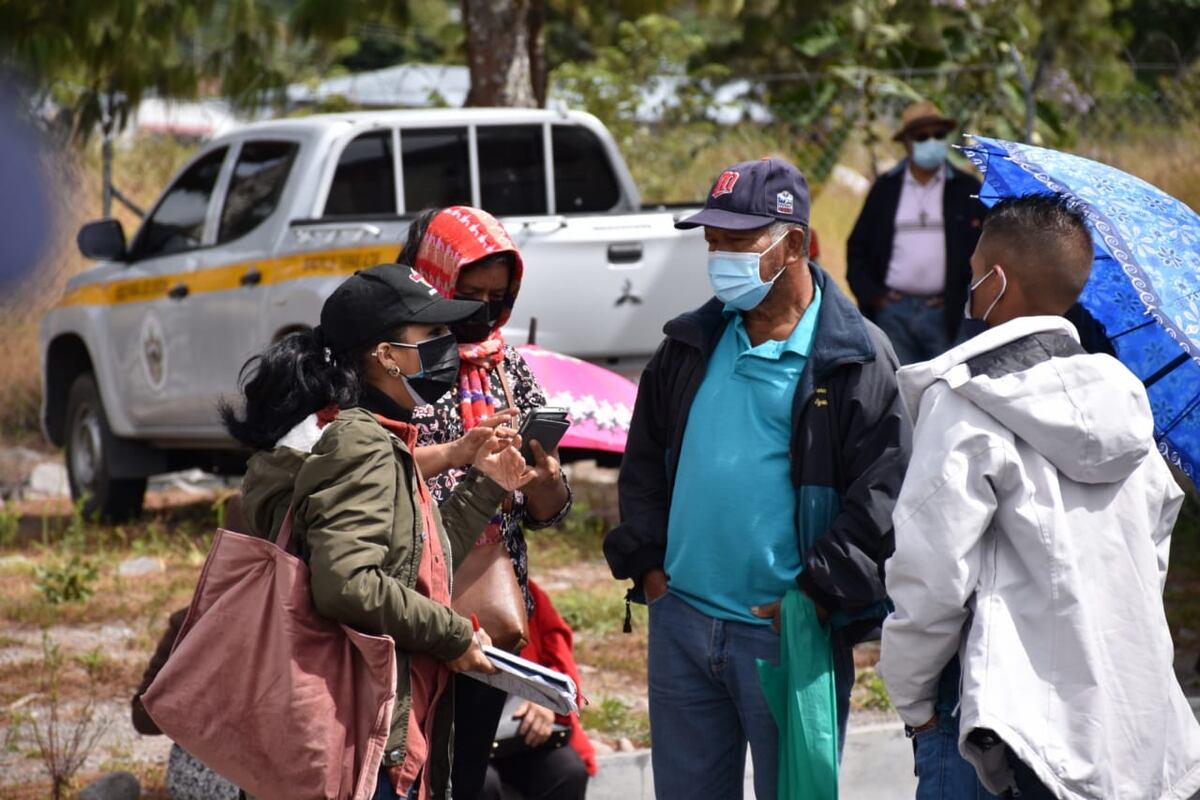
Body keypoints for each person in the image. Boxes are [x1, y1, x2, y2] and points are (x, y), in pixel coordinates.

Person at [604, 157, 910, 799]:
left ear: (791, 243)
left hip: (786, 632)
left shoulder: (853, 356)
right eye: (711, 242)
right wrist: (653, 571)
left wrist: (817, 596)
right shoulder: (690, 342)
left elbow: (881, 497)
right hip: (682, 623)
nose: (718, 258)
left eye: (736, 242)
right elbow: (643, 461)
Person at [878, 193, 1200, 799]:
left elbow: (931, 572)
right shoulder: (1127, 404)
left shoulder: (965, 401)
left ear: (996, 281)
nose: (969, 289)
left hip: (996, 715)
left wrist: (913, 696)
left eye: (973, 274)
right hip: (1120, 708)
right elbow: (1151, 555)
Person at [220, 263, 535, 800]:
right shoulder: (360, 442)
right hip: (355, 731)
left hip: (368, 726)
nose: (448, 348)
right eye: (431, 335)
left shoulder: (378, 436)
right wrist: (453, 633)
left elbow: (419, 559)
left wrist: (484, 484)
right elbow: (348, 583)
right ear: (385, 355)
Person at [395, 206, 574, 800]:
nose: (485, 313)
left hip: (490, 612)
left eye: (498, 300)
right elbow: (370, 466)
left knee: (463, 771)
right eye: (470, 296)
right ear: (436, 281)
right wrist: (461, 454)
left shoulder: (508, 368)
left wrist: (544, 480)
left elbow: (546, 512)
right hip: (409, 602)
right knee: (402, 765)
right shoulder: (398, 361)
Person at [847, 99, 986, 364]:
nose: (932, 141)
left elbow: (987, 249)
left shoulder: (966, 189)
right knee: (898, 391)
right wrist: (875, 298)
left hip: (949, 314)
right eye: (923, 136)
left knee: (946, 389)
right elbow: (858, 248)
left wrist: (963, 300)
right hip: (893, 314)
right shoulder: (885, 189)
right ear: (908, 143)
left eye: (939, 135)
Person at [480, 579, 595, 800]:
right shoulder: (440, 591)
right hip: (463, 737)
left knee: (568, 771)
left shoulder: (526, 593)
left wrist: (546, 701)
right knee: (482, 784)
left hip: (521, 735)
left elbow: (561, 662)